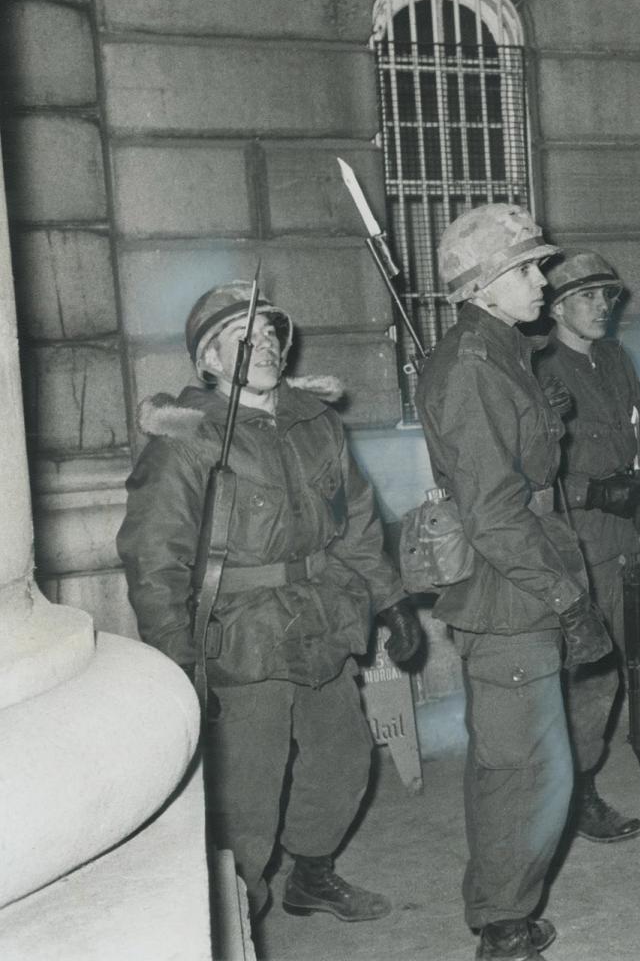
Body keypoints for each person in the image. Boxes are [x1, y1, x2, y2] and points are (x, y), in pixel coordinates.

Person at [117, 281, 425, 922]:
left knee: (343, 759)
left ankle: (312, 872)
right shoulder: (187, 438)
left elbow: (357, 520)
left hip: (321, 616)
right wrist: (177, 658)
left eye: (268, 335)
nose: (263, 346)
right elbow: (154, 558)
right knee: (247, 793)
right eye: (241, 338)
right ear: (208, 360)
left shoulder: (316, 425)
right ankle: (236, 917)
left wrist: (390, 600)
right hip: (241, 632)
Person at [415, 203, 613, 961]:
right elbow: (495, 515)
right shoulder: (473, 365)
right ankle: (502, 924)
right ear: (485, 285)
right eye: (528, 268)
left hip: (527, 571)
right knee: (525, 772)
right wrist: (567, 600)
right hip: (512, 591)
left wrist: (545, 418)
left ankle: (503, 905)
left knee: (525, 762)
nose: (543, 277)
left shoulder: (499, 353)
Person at [536, 250, 640, 842]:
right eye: (588, 297)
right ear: (556, 306)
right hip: (582, 543)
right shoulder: (537, 369)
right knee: (594, 672)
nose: (603, 306)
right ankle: (578, 791)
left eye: (608, 296)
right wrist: (591, 491)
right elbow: (527, 472)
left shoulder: (614, 358)